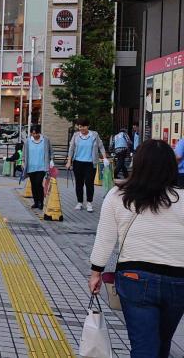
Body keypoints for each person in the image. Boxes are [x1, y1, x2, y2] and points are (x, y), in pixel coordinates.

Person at [88, 139, 184, 358]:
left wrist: (96, 273)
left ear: (138, 164)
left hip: (135, 278)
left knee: (144, 346)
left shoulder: (119, 195)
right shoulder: (181, 198)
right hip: (178, 280)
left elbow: (105, 239)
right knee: (162, 343)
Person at [66, 118, 109, 212]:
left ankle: (89, 202)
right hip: (78, 162)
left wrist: (105, 157)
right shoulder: (76, 135)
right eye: (80, 126)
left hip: (90, 163)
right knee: (79, 183)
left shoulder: (94, 135)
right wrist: (69, 161)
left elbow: (101, 146)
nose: (82, 128)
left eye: (84, 126)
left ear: (88, 126)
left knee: (89, 183)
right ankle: (80, 202)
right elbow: (71, 148)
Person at [22, 126, 54, 210]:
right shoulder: (28, 141)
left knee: (38, 183)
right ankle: (36, 202)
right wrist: (23, 161)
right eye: (33, 133)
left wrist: (51, 160)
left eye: (36, 133)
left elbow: (51, 151)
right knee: (33, 185)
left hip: (42, 167)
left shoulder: (45, 140)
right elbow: (24, 153)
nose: (35, 135)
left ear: (39, 132)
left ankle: (41, 202)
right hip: (31, 166)